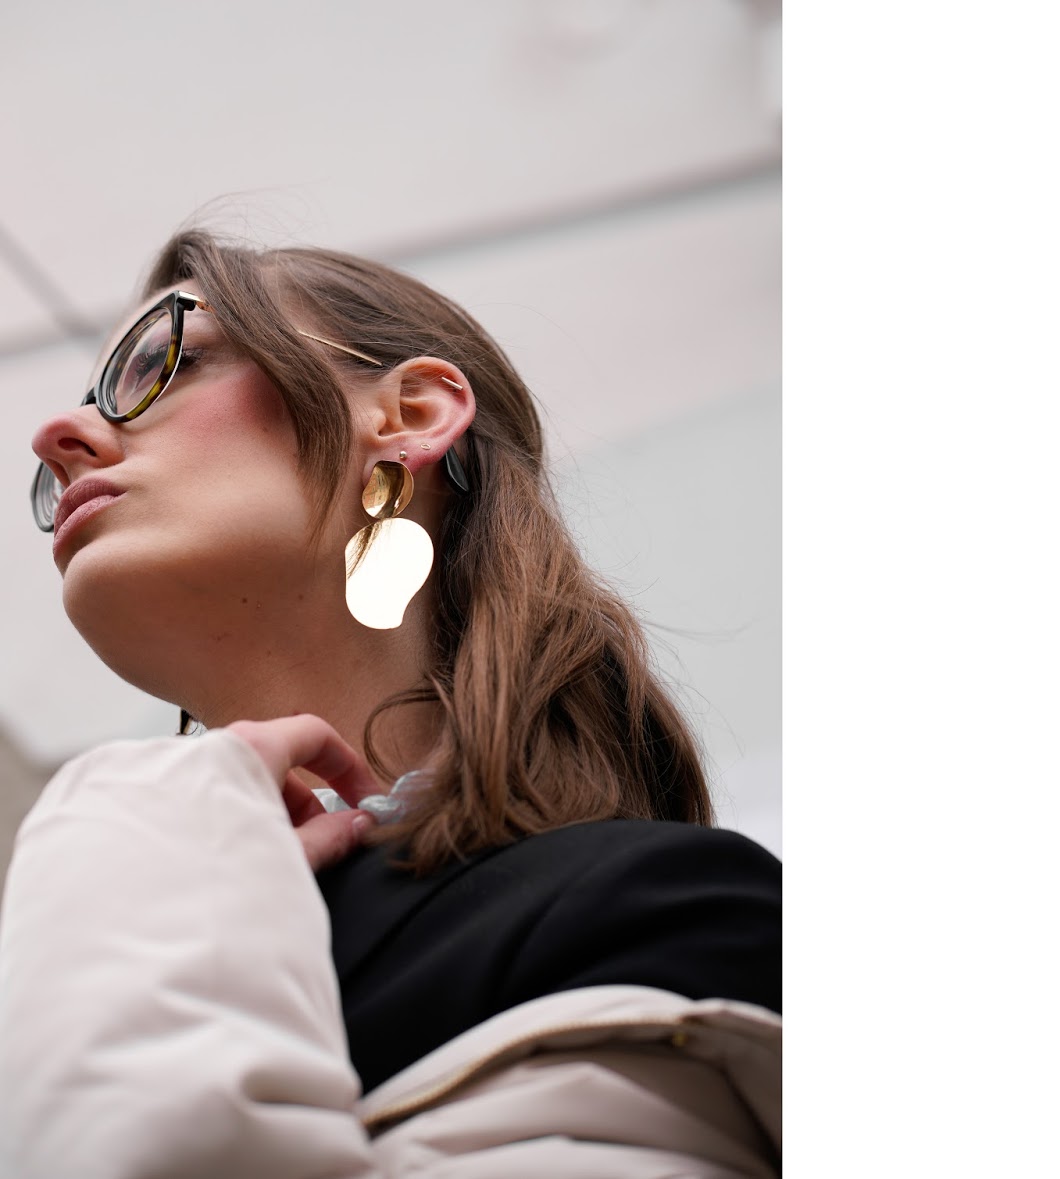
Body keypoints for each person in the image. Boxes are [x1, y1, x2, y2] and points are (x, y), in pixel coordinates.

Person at [0, 229, 782, 1177]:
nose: (58, 437)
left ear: (411, 413)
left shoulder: (675, 918)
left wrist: (114, 842)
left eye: (164, 362)